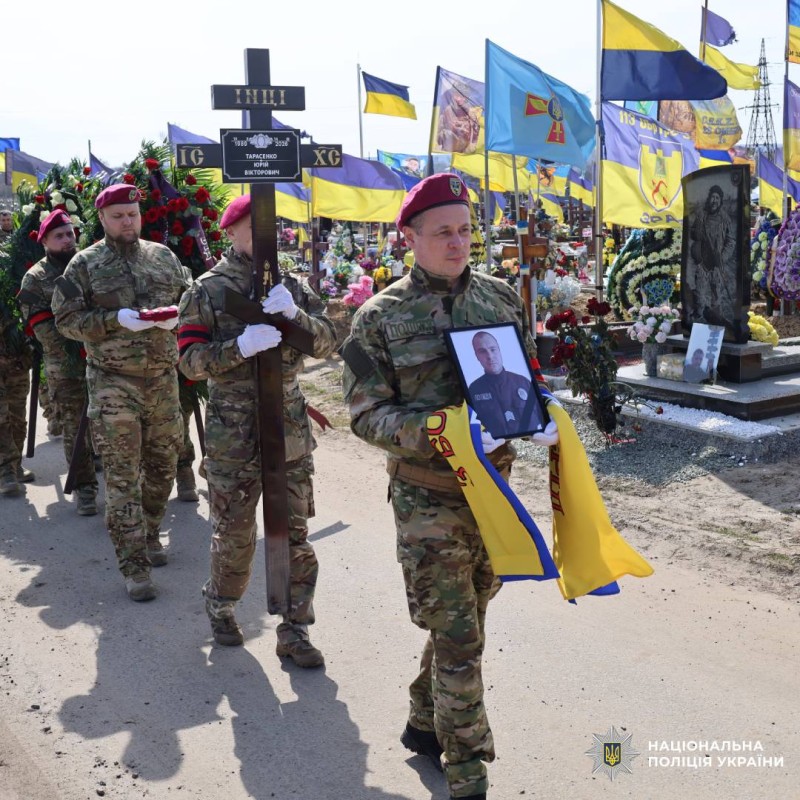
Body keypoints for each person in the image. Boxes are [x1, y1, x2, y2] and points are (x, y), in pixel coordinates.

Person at [340, 173, 558, 800]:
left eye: (465, 230)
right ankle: (466, 770)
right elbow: (365, 415)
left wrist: (539, 412)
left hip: (494, 492)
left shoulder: (499, 300)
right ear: (409, 236)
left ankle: (420, 718)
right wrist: (449, 432)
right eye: (443, 232)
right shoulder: (377, 318)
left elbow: (527, 373)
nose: (458, 243)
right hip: (427, 496)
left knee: (468, 617)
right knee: (459, 634)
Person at [177, 194, 336, 663]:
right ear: (231, 233)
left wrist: (295, 316)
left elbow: (327, 343)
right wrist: (238, 348)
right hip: (233, 436)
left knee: (295, 534)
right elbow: (188, 363)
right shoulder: (206, 291)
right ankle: (222, 604)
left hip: (287, 432)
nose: (265, 237)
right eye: (253, 228)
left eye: (270, 228)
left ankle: (295, 629)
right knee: (235, 534)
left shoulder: (290, 287)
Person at [52, 184, 191, 601]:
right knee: (122, 474)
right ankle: (134, 565)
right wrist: (114, 320)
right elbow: (66, 320)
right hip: (113, 383)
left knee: (164, 465)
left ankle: (149, 532)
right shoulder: (85, 264)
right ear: (103, 220)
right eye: (118, 216)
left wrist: (177, 320)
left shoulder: (163, 257)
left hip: (163, 380)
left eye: (132, 213)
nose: (127, 221)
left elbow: (190, 301)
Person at [17, 209, 98, 515]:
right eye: (59, 236)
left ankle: (101, 466)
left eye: (69, 233)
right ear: (45, 241)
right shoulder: (35, 277)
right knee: (75, 424)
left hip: (103, 357)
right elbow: (39, 326)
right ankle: (85, 487)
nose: (67, 240)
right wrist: (81, 342)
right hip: (66, 364)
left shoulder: (88, 264)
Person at [0, 206, 34, 496]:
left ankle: (16, 462)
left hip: (16, 353)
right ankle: (5, 470)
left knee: (17, 413)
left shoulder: (14, 261)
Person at [467, 331, 543, 438]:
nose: (490, 356)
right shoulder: (474, 389)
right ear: (477, 356)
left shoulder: (523, 382)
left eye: (493, 349)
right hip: (494, 449)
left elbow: (541, 418)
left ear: (499, 350)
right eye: (482, 351)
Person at [687, 184, 736, 326]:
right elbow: (693, 234)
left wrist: (723, 257)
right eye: (712, 197)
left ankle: (716, 320)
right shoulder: (702, 215)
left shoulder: (725, 219)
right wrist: (699, 232)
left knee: (717, 294)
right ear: (709, 199)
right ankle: (698, 320)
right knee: (700, 294)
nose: (714, 200)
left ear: (720, 201)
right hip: (702, 260)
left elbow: (731, 241)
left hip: (717, 262)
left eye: (717, 198)